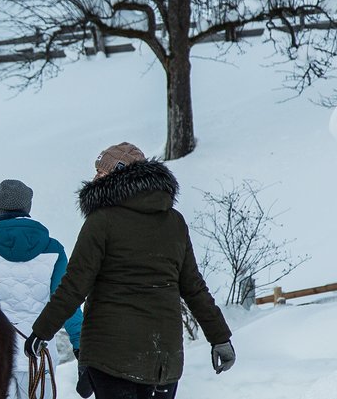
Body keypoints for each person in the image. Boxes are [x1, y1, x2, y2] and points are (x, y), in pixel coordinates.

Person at [22, 143, 236, 399]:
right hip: (163, 359)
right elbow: (193, 287)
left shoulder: (101, 221)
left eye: (101, 173)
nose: (95, 178)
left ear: (119, 175)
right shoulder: (174, 222)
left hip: (111, 356)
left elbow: (75, 285)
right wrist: (219, 337)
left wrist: (41, 332)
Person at [0, 179, 83, 399]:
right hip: (39, 353)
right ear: (28, 207)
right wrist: (79, 343)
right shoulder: (53, 249)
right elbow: (66, 301)